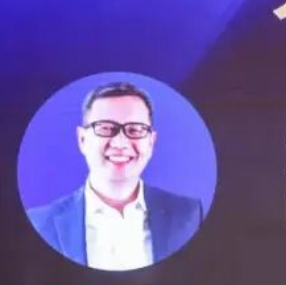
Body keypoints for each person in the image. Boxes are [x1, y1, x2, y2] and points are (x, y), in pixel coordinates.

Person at [27, 81, 203, 271]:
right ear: (82, 139)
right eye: (105, 128)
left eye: (135, 129)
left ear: (151, 142)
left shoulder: (189, 216)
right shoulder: (40, 224)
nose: (120, 143)